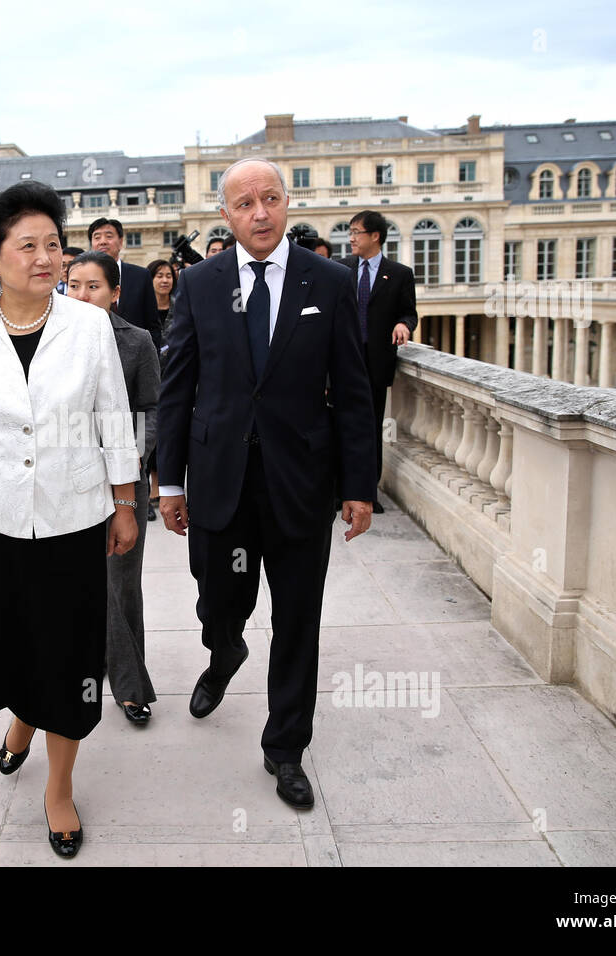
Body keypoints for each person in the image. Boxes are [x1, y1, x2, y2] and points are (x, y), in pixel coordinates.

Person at [0, 182, 140, 858]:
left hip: (74, 516)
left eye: (53, 245)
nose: (44, 258)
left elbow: (113, 418)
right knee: (12, 643)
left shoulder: (89, 324)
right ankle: (21, 720)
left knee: (71, 653)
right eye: (27, 246)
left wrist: (125, 501)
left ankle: (59, 787)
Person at [156, 157, 375, 811]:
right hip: (220, 481)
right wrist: (170, 482)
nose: (259, 212)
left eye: (271, 198)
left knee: (298, 620)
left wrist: (358, 483)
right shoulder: (199, 285)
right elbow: (177, 391)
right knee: (219, 602)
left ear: (287, 204)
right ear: (225, 215)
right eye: (244, 203)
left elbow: (355, 393)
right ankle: (223, 656)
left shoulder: (330, 283)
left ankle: (285, 749)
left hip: (301, 485)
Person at [66, 250, 159, 726]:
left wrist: (129, 457)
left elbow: (152, 408)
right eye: (74, 284)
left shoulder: (137, 341)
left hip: (123, 481)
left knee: (121, 583)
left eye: (94, 286)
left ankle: (126, 683)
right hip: (69, 481)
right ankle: (116, 678)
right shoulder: (52, 339)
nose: (82, 295)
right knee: (87, 582)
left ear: (116, 292)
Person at [343, 210, 418, 515]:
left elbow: (409, 312)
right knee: (339, 427)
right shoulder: (341, 269)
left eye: (356, 232)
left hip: (375, 364)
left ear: (375, 236)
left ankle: (367, 492)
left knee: (371, 428)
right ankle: (340, 491)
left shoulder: (399, 274)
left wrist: (403, 325)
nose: (351, 238)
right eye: (349, 232)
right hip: (342, 362)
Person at [88, 217, 162, 350]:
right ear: (91, 244)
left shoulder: (141, 276)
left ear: (121, 242)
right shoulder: (84, 279)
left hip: (135, 357)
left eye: (109, 236)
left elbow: (153, 325)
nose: (103, 242)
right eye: (97, 237)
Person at [145, 259, 177, 520]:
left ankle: (160, 485)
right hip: (150, 378)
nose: (165, 280)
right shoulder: (144, 308)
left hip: (172, 378)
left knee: (167, 433)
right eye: (159, 275)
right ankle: (147, 491)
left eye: (169, 275)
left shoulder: (180, 306)